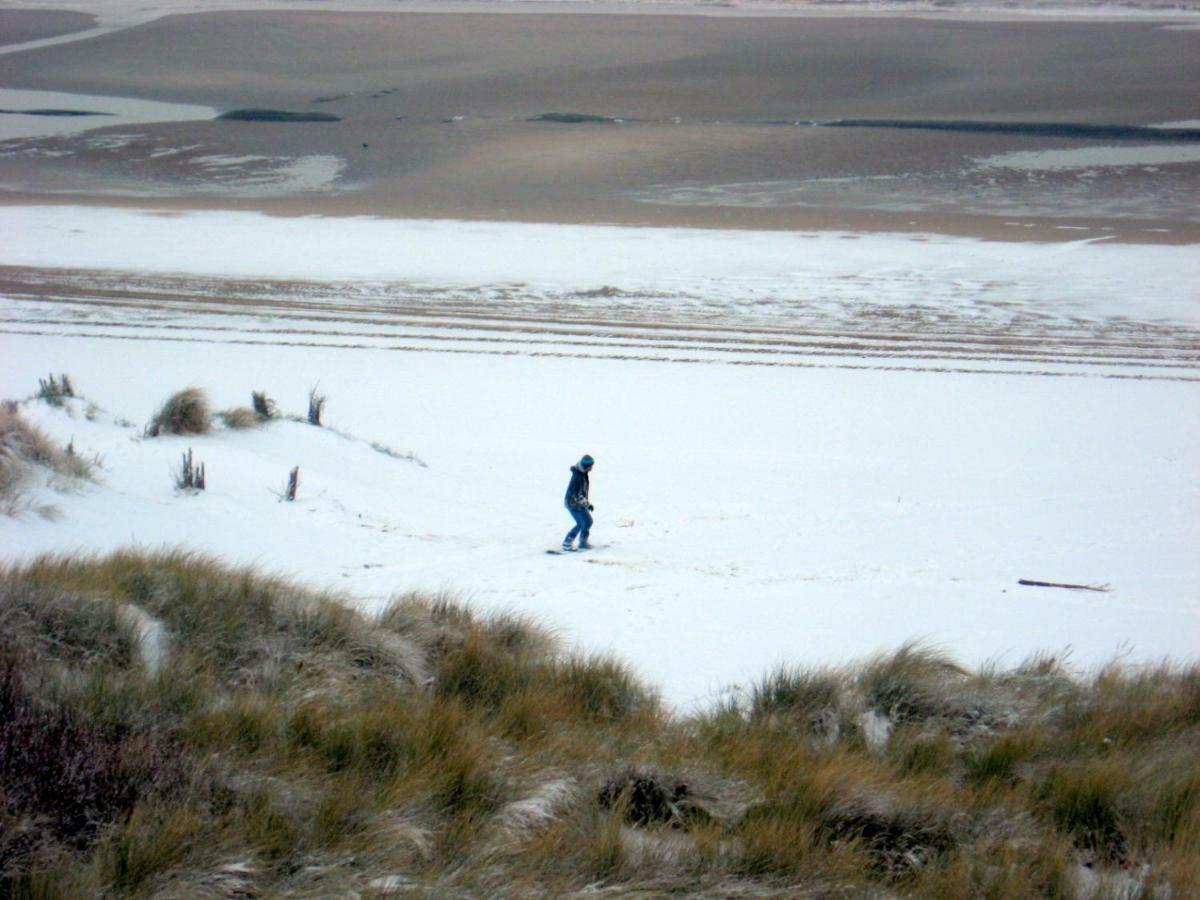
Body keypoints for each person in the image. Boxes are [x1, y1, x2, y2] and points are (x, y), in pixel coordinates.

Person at [562, 454, 595, 551]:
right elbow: (578, 495)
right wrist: (587, 504)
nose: (592, 467)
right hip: (572, 503)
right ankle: (567, 543)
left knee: (588, 522)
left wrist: (586, 504)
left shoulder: (583, 473)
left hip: (579, 503)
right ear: (586, 466)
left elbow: (582, 494)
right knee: (581, 524)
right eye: (591, 466)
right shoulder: (578, 477)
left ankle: (583, 542)